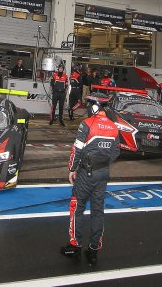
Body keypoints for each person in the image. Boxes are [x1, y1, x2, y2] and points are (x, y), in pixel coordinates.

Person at [61, 99, 121, 266]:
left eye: (88, 105)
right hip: (103, 173)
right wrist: (103, 163)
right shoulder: (113, 126)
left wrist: (72, 168)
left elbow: (77, 149)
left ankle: (75, 246)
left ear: (94, 107)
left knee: (77, 206)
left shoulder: (87, 123)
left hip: (86, 173)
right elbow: (116, 151)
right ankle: (93, 249)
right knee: (97, 210)